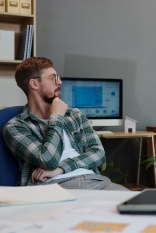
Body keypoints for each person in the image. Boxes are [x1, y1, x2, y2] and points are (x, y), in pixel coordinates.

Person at [3, 57, 128, 190]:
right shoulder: (16, 127)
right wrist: (56, 117)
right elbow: (48, 160)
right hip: (51, 186)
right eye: (53, 78)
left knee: (134, 203)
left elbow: (98, 153)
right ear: (34, 84)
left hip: (94, 181)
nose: (60, 82)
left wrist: (61, 168)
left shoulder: (74, 115)